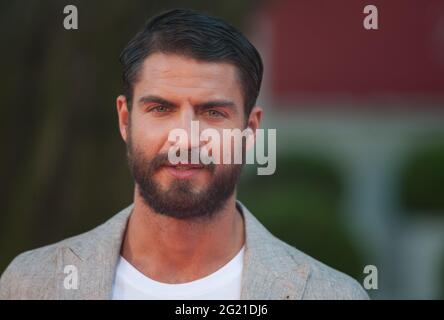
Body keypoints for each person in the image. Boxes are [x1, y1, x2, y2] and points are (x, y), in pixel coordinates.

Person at [0, 9, 368, 300]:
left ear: (250, 131)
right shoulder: (30, 283)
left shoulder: (331, 294)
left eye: (212, 113)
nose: (185, 139)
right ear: (125, 120)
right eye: (160, 109)